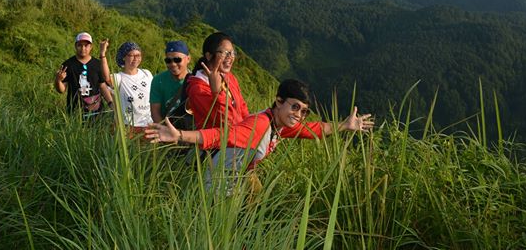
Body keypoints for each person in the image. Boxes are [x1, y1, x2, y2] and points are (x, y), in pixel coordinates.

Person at [146, 79, 374, 183]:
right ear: (279, 101)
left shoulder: (280, 125)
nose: (299, 114)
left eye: (304, 111)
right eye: (295, 106)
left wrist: (345, 125)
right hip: (221, 183)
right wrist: (179, 136)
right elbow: (220, 135)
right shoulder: (260, 125)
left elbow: (314, 129)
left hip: (240, 176)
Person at [186, 32, 250, 130]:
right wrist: (217, 92)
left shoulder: (229, 77)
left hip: (240, 136)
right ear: (209, 55)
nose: (230, 57)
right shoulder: (198, 89)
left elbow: (242, 107)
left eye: (232, 53)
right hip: (217, 143)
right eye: (225, 52)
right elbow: (227, 121)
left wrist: (249, 129)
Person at [55, 32, 112, 115]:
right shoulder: (68, 65)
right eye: (80, 45)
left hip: (97, 112)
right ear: (75, 46)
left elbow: (102, 86)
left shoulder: (97, 64)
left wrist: (110, 103)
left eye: (86, 45)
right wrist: (58, 80)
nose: (83, 48)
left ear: (91, 47)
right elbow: (62, 90)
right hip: (75, 112)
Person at [111, 41, 154, 133]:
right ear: (123, 57)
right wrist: (102, 55)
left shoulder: (147, 73)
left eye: (138, 55)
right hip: (128, 126)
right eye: (131, 55)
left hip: (148, 124)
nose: (135, 58)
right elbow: (106, 78)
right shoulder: (118, 77)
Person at [150, 40, 191, 123]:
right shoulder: (158, 80)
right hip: (165, 127)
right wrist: (164, 131)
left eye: (177, 60)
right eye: (168, 60)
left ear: (188, 59)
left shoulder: (194, 80)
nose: (173, 64)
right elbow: (155, 112)